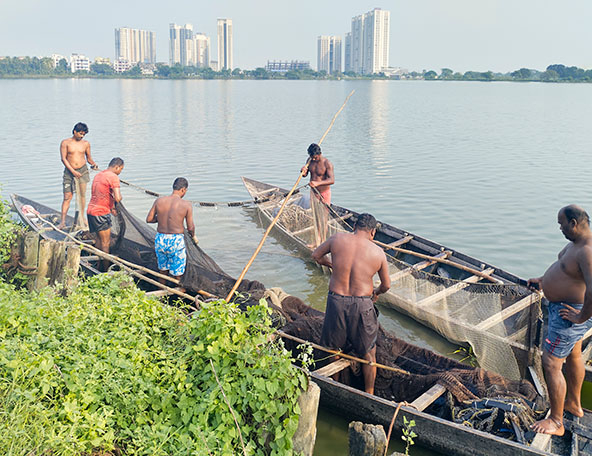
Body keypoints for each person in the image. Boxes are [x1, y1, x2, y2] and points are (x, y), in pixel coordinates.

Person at [528, 205, 592, 436]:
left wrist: (580, 317)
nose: (560, 228)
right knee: (574, 355)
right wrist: (544, 280)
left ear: (573, 223)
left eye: (561, 224)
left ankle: (556, 422)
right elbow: (565, 271)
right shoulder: (576, 244)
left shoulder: (587, 251)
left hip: (569, 315)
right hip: (565, 311)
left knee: (551, 364)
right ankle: (573, 404)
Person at [311, 213, 391, 394]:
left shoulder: (337, 239)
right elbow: (386, 285)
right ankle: (369, 393)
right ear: (372, 232)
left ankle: (334, 382)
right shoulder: (378, 252)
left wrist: (333, 265)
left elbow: (315, 255)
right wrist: (376, 293)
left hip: (336, 301)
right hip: (362, 305)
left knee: (333, 348)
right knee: (369, 353)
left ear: (354, 227)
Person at [146, 177, 196, 282]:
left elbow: (149, 219)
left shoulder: (159, 201)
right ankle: (179, 296)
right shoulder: (186, 205)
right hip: (176, 241)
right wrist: (193, 236)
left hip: (160, 239)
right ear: (183, 189)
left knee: (163, 271)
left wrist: (160, 218)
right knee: (178, 275)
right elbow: (191, 227)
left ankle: (161, 296)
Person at [86, 157, 124, 271]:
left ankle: (98, 266)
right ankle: (105, 270)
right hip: (101, 213)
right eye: (121, 169)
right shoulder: (113, 177)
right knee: (106, 243)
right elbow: (117, 197)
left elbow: (103, 194)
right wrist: (119, 199)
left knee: (98, 240)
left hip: (91, 211)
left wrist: (112, 207)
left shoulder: (99, 175)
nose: (120, 172)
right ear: (116, 167)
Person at [59, 122, 98, 229]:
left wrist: (93, 164)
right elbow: (63, 159)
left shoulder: (86, 144)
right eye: (80, 133)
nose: (82, 136)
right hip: (69, 172)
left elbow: (89, 158)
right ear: (74, 131)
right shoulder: (65, 143)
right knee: (67, 197)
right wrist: (73, 171)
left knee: (82, 195)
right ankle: (62, 221)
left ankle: (82, 217)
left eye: (84, 134)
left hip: (82, 171)